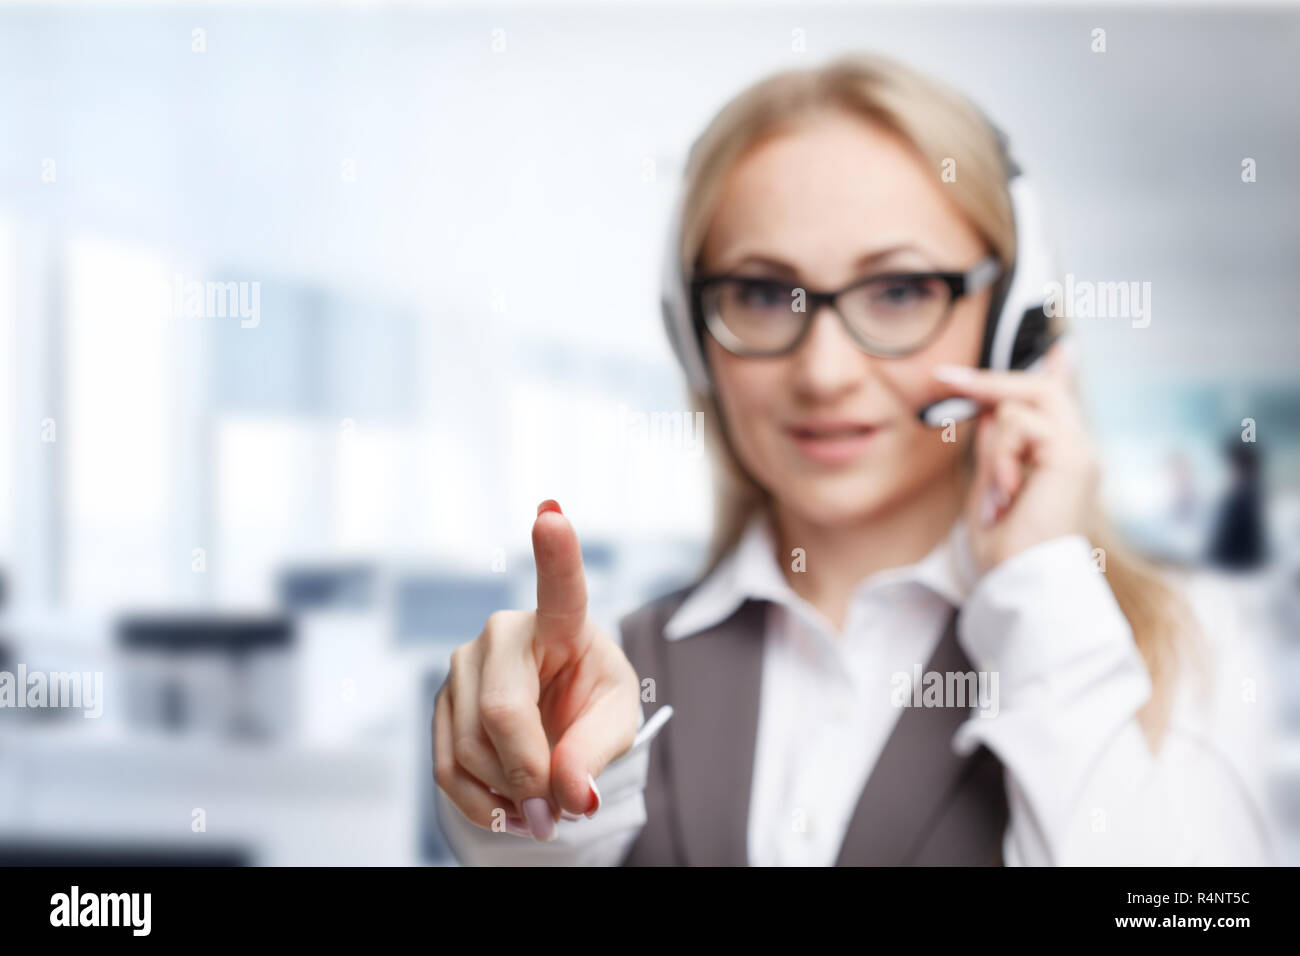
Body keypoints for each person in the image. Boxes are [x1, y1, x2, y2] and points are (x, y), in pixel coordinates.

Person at [432, 53, 1275, 865]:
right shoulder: (612, 673)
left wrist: (1043, 591)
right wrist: (521, 793)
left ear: (1012, 323)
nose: (825, 373)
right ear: (695, 337)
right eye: (762, 295)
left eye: (900, 289)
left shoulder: (1174, 644)